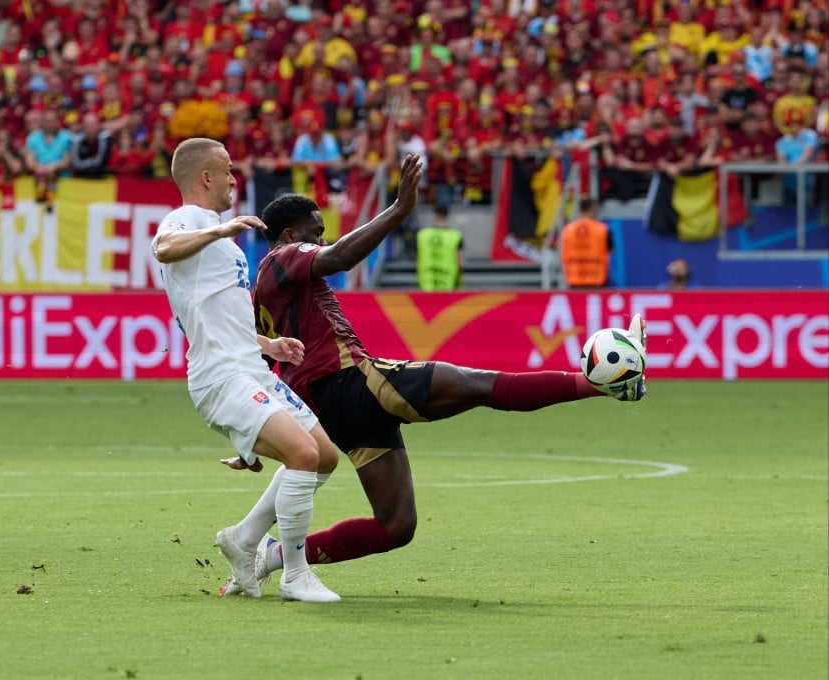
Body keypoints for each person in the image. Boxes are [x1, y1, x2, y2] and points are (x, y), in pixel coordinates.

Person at [220, 154, 646, 593]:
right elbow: (340, 257)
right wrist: (399, 210)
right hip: (350, 381)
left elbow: (263, 363)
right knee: (479, 385)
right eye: (315, 232)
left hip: (333, 407)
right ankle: (598, 385)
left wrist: (253, 435)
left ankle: (269, 557)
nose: (320, 240)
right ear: (290, 235)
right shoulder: (286, 255)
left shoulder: (263, 290)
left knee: (396, 525)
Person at [151, 137, 341, 603]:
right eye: (227, 169)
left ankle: (243, 538)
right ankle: (295, 574)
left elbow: (220, 319)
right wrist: (218, 230)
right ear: (205, 177)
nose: (235, 177)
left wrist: (269, 343)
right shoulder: (192, 221)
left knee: (324, 455)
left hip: (249, 366)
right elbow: (163, 246)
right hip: (222, 376)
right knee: (303, 456)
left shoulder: (223, 241)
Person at [560, 197, 612, 289]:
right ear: (592, 209)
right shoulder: (602, 229)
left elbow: (563, 253)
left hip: (574, 280)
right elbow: (610, 252)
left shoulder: (568, 230)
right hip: (597, 280)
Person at [415, 204, 464, 291]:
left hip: (427, 280)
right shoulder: (456, 236)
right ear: (448, 215)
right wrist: (459, 282)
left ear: (435, 215)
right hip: (448, 281)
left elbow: (418, 258)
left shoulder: (423, 235)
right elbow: (459, 261)